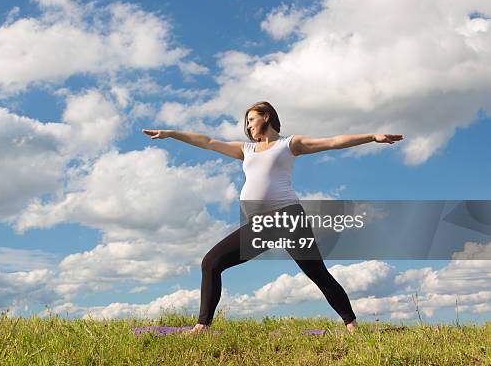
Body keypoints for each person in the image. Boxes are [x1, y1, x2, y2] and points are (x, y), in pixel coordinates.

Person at [142, 101, 404, 334]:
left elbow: (333, 141)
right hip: (260, 224)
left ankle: (351, 325)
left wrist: (372, 137)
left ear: (266, 116)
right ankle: (203, 326)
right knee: (211, 262)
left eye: (251, 119)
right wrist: (171, 134)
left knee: (316, 272)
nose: (248, 126)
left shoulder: (288, 144)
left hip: (287, 216)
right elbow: (206, 141)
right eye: (246, 122)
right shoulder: (246, 149)